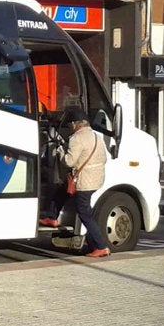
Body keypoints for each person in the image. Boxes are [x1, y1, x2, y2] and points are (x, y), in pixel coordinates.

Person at [39, 108, 110, 258]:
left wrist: (60, 150)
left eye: (70, 124)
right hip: (96, 179)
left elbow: (69, 162)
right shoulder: (96, 136)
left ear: (75, 124)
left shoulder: (76, 138)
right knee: (62, 191)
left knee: (84, 213)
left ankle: (101, 246)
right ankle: (52, 218)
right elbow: (104, 158)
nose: (70, 127)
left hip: (84, 181)